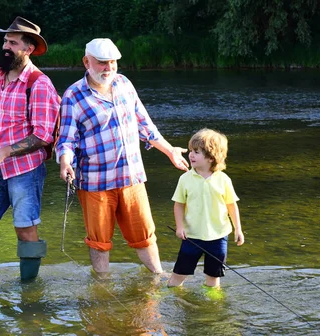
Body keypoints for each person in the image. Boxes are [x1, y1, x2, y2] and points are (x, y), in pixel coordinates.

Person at [56, 38, 189, 274]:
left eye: (113, 63)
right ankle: (102, 286)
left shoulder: (125, 84)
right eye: (102, 63)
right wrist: (65, 162)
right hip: (95, 182)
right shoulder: (73, 96)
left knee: (145, 235)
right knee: (99, 241)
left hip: (132, 176)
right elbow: (66, 140)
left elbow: (145, 126)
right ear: (86, 61)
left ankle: (158, 277)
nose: (109, 68)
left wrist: (170, 151)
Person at [0, 16, 61, 281]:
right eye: (5, 40)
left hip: (25, 171)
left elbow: (42, 136)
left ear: (28, 49)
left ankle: (29, 294)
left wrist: (3, 151)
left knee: (25, 232)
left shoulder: (39, 84)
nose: (6, 46)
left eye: (13, 42)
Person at [168, 128, 244, 289]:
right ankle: (171, 293)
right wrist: (180, 227)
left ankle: (212, 302)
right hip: (191, 236)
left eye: (197, 152)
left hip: (218, 236)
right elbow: (179, 204)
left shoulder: (223, 179)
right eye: (191, 151)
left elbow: (231, 204)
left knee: (213, 276)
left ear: (211, 157)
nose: (191, 155)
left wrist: (238, 229)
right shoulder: (185, 179)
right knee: (179, 274)